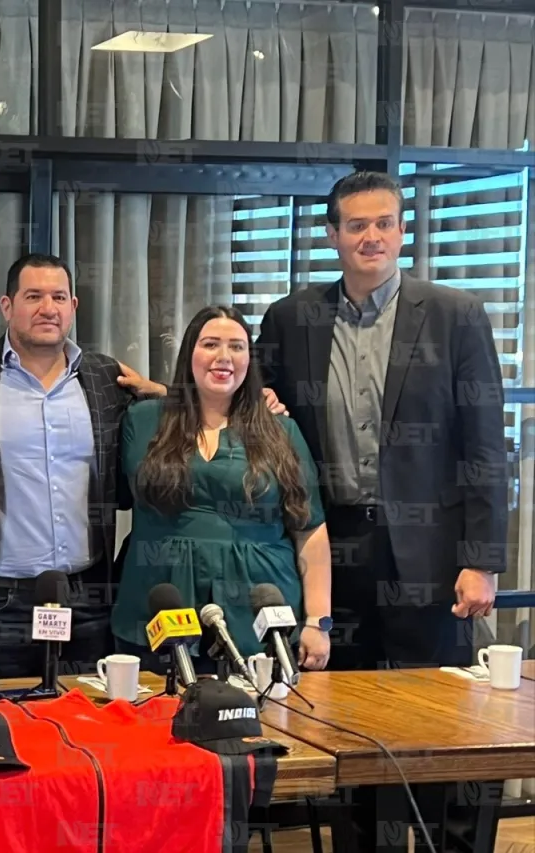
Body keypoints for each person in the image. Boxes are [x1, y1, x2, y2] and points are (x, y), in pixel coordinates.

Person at [257, 170, 507, 671]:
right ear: (333, 236)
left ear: (401, 231)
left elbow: (485, 448)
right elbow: (251, 403)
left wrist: (482, 561)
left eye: (384, 224)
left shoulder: (456, 315)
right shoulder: (291, 317)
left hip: (429, 551)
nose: (371, 237)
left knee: (435, 710)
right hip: (331, 547)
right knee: (337, 705)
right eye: (356, 226)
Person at [0, 253, 169, 680]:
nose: (48, 308)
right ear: (7, 306)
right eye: (34, 296)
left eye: (59, 296)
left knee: (87, 732)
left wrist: (165, 393)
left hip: (87, 602)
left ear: (74, 307)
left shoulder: (104, 378)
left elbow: (184, 432)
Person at [112, 306, 332, 675]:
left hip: (257, 613)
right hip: (158, 604)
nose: (223, 357)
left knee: (260, 725)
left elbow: (309, 529)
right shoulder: (143, 419)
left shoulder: (280, 431)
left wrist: (317, 622)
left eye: (237, 347)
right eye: (210, 344)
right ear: (189, 354)